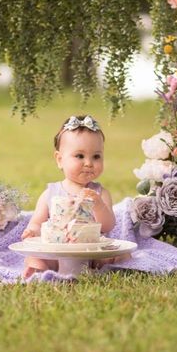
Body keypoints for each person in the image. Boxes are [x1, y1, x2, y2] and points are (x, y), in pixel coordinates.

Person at [21, 114, 116, 278]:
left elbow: (108, 226)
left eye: (96, 156)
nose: (88, 163)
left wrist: (99, 205)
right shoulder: (51, 193)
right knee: (36, 256)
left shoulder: (100, 194)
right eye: (79, 156)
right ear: (59, 159)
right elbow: (37, 222)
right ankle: (38, 271)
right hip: (58, 251)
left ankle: (105, 269)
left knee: (114, 254)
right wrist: (32, 231)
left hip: (91, 252)